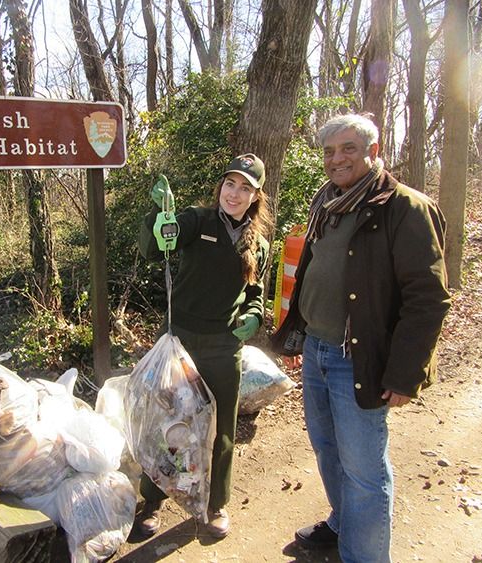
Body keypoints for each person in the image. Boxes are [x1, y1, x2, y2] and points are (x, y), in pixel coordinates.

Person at [270, 113, 451, 562]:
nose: (337, 159)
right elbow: (312, 274)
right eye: (330, 151)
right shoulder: (325, 204)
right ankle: (342, 522)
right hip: (316, 351)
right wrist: (298, 336)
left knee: (365, 469)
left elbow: (428, 298)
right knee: (327, 449)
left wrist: (406, 373)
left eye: (348, 148)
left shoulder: (404, 208)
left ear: (372, 151)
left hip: (359, 358)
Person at [136, 153, 272, 539]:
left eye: (245, 188)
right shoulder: (197, 221)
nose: (235, 193)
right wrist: (159, 215)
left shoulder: (258, 244)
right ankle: (152, 500)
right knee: (169, 425)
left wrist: (256, 316)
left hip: (223, 346)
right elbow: (153, 249)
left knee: (220, 430)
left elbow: (255, 293)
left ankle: (216, 505)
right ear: (221, 187)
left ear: (255, 196)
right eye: (231, 184)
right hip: (180, 341)